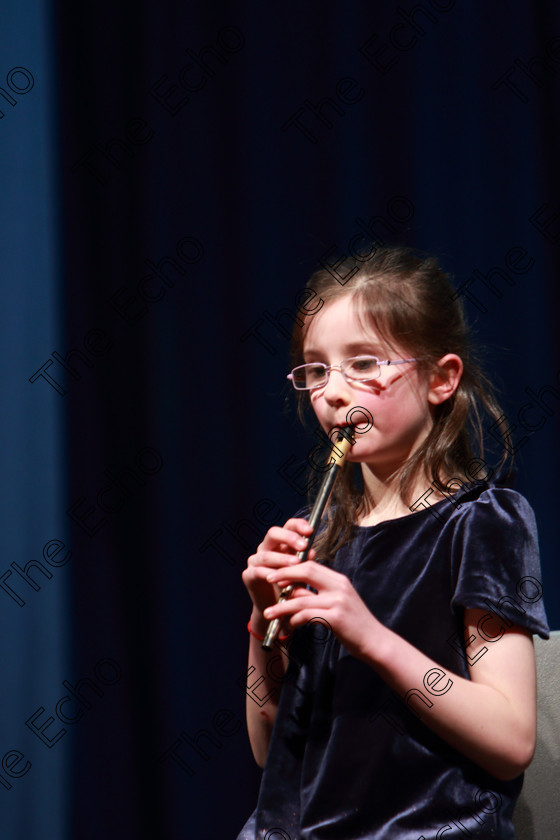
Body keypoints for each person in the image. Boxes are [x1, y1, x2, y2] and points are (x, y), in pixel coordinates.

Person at [237, 246, 549, 840]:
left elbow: (510, 740)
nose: (332, 391)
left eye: (364, 363)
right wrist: (261, 627)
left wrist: (368, 633)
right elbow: (267, 746)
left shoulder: (481, 524)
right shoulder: (319, 531)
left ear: (441, 378)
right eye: (317, 369)